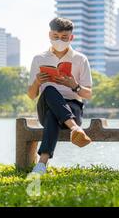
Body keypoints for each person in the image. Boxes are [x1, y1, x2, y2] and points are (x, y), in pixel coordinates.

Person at [27, 17, 93, 175]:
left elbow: (88, 94)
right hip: (46, 104)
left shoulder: (80, 59)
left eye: (64, 37)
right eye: (56, 36)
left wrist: (74, 85)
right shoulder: (39, 59)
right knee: (49, 89)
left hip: (73, 107)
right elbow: (31, 95)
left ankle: (41, 164)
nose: (59, 40)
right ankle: (76, 129)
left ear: (71, 37)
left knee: (53, 114)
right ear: (50, 35)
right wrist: (37, 82)